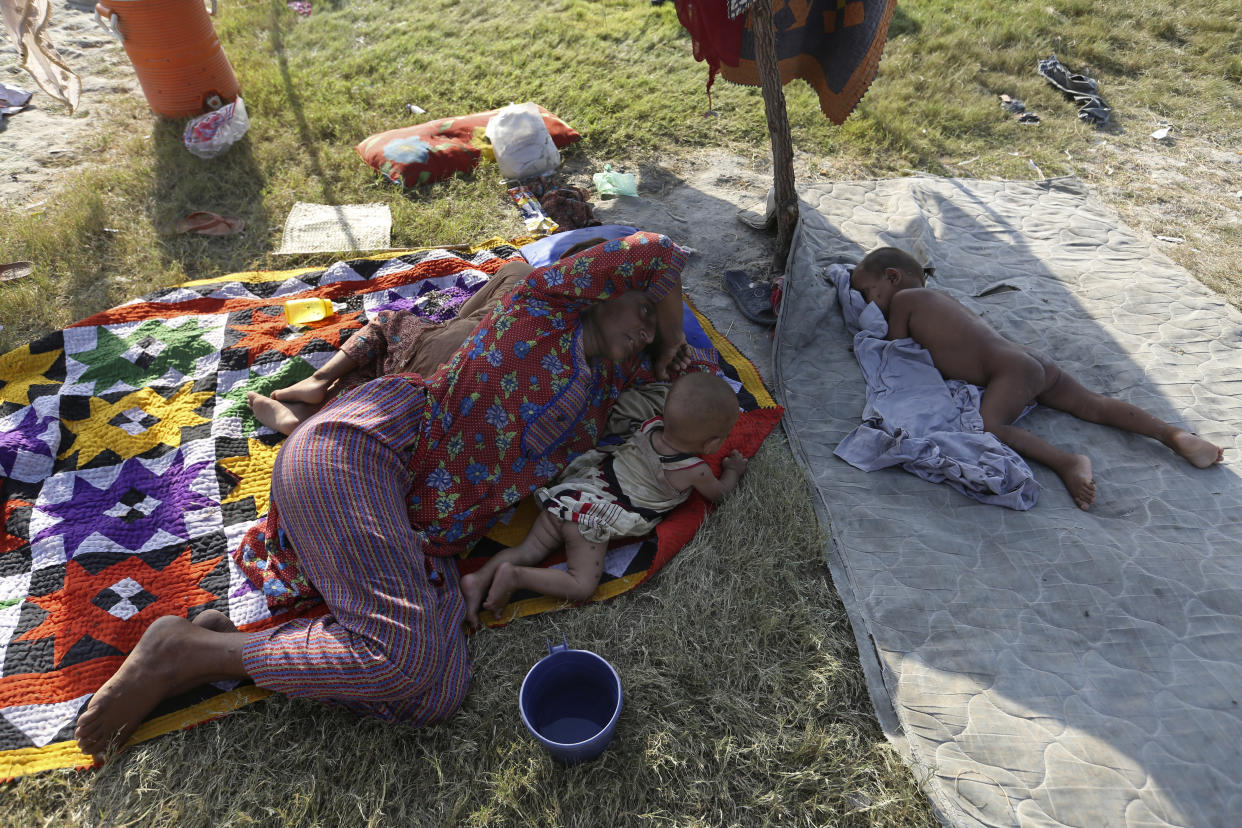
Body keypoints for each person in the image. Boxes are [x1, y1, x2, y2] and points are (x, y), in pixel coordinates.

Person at [74, 232, 706, 759]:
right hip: (364, 448)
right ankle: (177, 652)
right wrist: (670, 324)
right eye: (641, 311)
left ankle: (215, 646)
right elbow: (657, 251)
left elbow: (692, 405)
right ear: (594, 288)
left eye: (652, 327)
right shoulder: (545, 305)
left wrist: (663, 354)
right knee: (406, 660)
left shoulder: (608, 387)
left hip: (407, 529)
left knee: (435, 688)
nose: (647, 329)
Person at [849, 247, 1224, 510]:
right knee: (1093, 404)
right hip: (1028, 361)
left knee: (990, 425)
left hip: (1007, 372)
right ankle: (1173, 435)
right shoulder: (942, 300)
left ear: (892, 277)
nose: (868, 301)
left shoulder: (903, 302)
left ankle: (1066, 462)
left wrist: (864, 324)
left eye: (867, 292)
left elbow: (896, 351)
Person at [461, 371, 747, 630]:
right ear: (711, 444)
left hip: (573, 493)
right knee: (582, 584)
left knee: (527, 550)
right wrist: (732, 471)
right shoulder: (693, 470)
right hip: (593, 517)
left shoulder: (651, 426)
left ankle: (479, 578)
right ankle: (516, 577)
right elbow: (721, 495)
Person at [247, 237, 609, 435]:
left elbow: (464, 313)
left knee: (390, 325)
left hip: (447, 354)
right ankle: (309, 422)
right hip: (467, 409)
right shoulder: (597, 349)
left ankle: (318, 383)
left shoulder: (521, 274)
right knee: (392, 378)